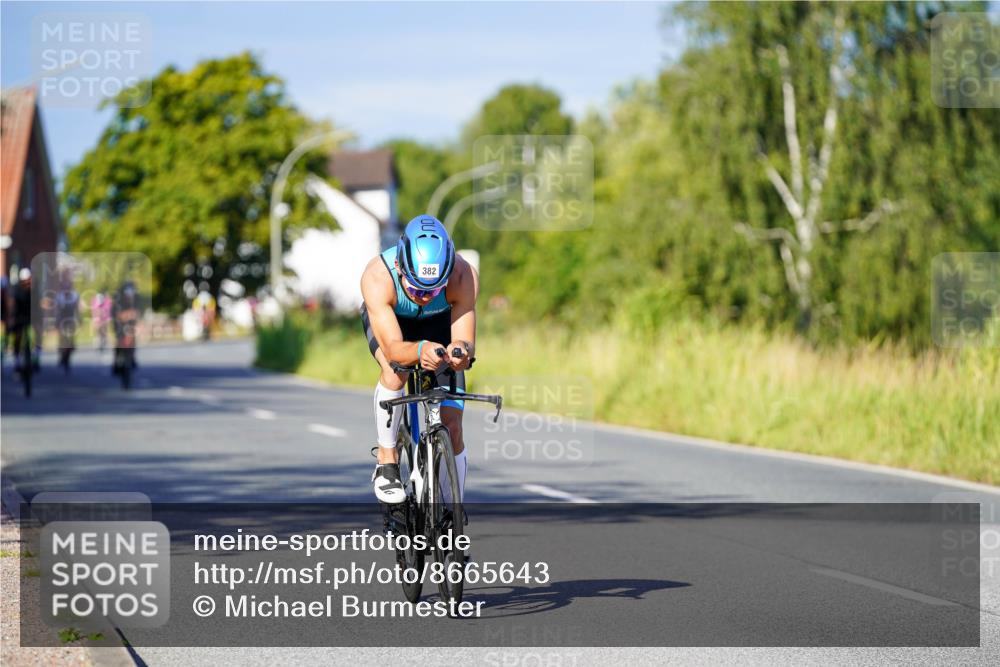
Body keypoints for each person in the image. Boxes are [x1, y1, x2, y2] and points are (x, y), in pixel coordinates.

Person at [360, 215, 477, 504]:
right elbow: (393, 348)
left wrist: (460, 353)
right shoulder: (378, 276)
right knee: (395, 370)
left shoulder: (464, 275)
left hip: (439, 324)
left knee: (452, 426)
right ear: (400, 266)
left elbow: (464, 342)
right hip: (396, 326)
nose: (423, 296)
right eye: (414, 288)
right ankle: (387, 461)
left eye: (434, 290)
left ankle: (453, 512)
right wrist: (420, 349)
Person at [9, 268, 39, 372]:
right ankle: (16, 361)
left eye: (29, 280)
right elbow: (13, 307)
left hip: (32, 316)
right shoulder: (16, 290)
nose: (27, 283)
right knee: (17, 336)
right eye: (25, 281)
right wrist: (13, 319)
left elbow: (38, 305)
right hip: (19, 317)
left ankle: (36, 357)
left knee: (38, 333)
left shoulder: (35, 289)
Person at [112, 280, 141, 374]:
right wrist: (123, 316)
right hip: (119, 324)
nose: (130, 295)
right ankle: (116, 360)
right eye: (128, 292)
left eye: (131, 292)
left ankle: (132, 357)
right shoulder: (118, 300)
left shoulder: (136, 299)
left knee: (132, 338)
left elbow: (138, 313)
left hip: (130, 325)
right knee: (118, 340)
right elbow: (115, 314)